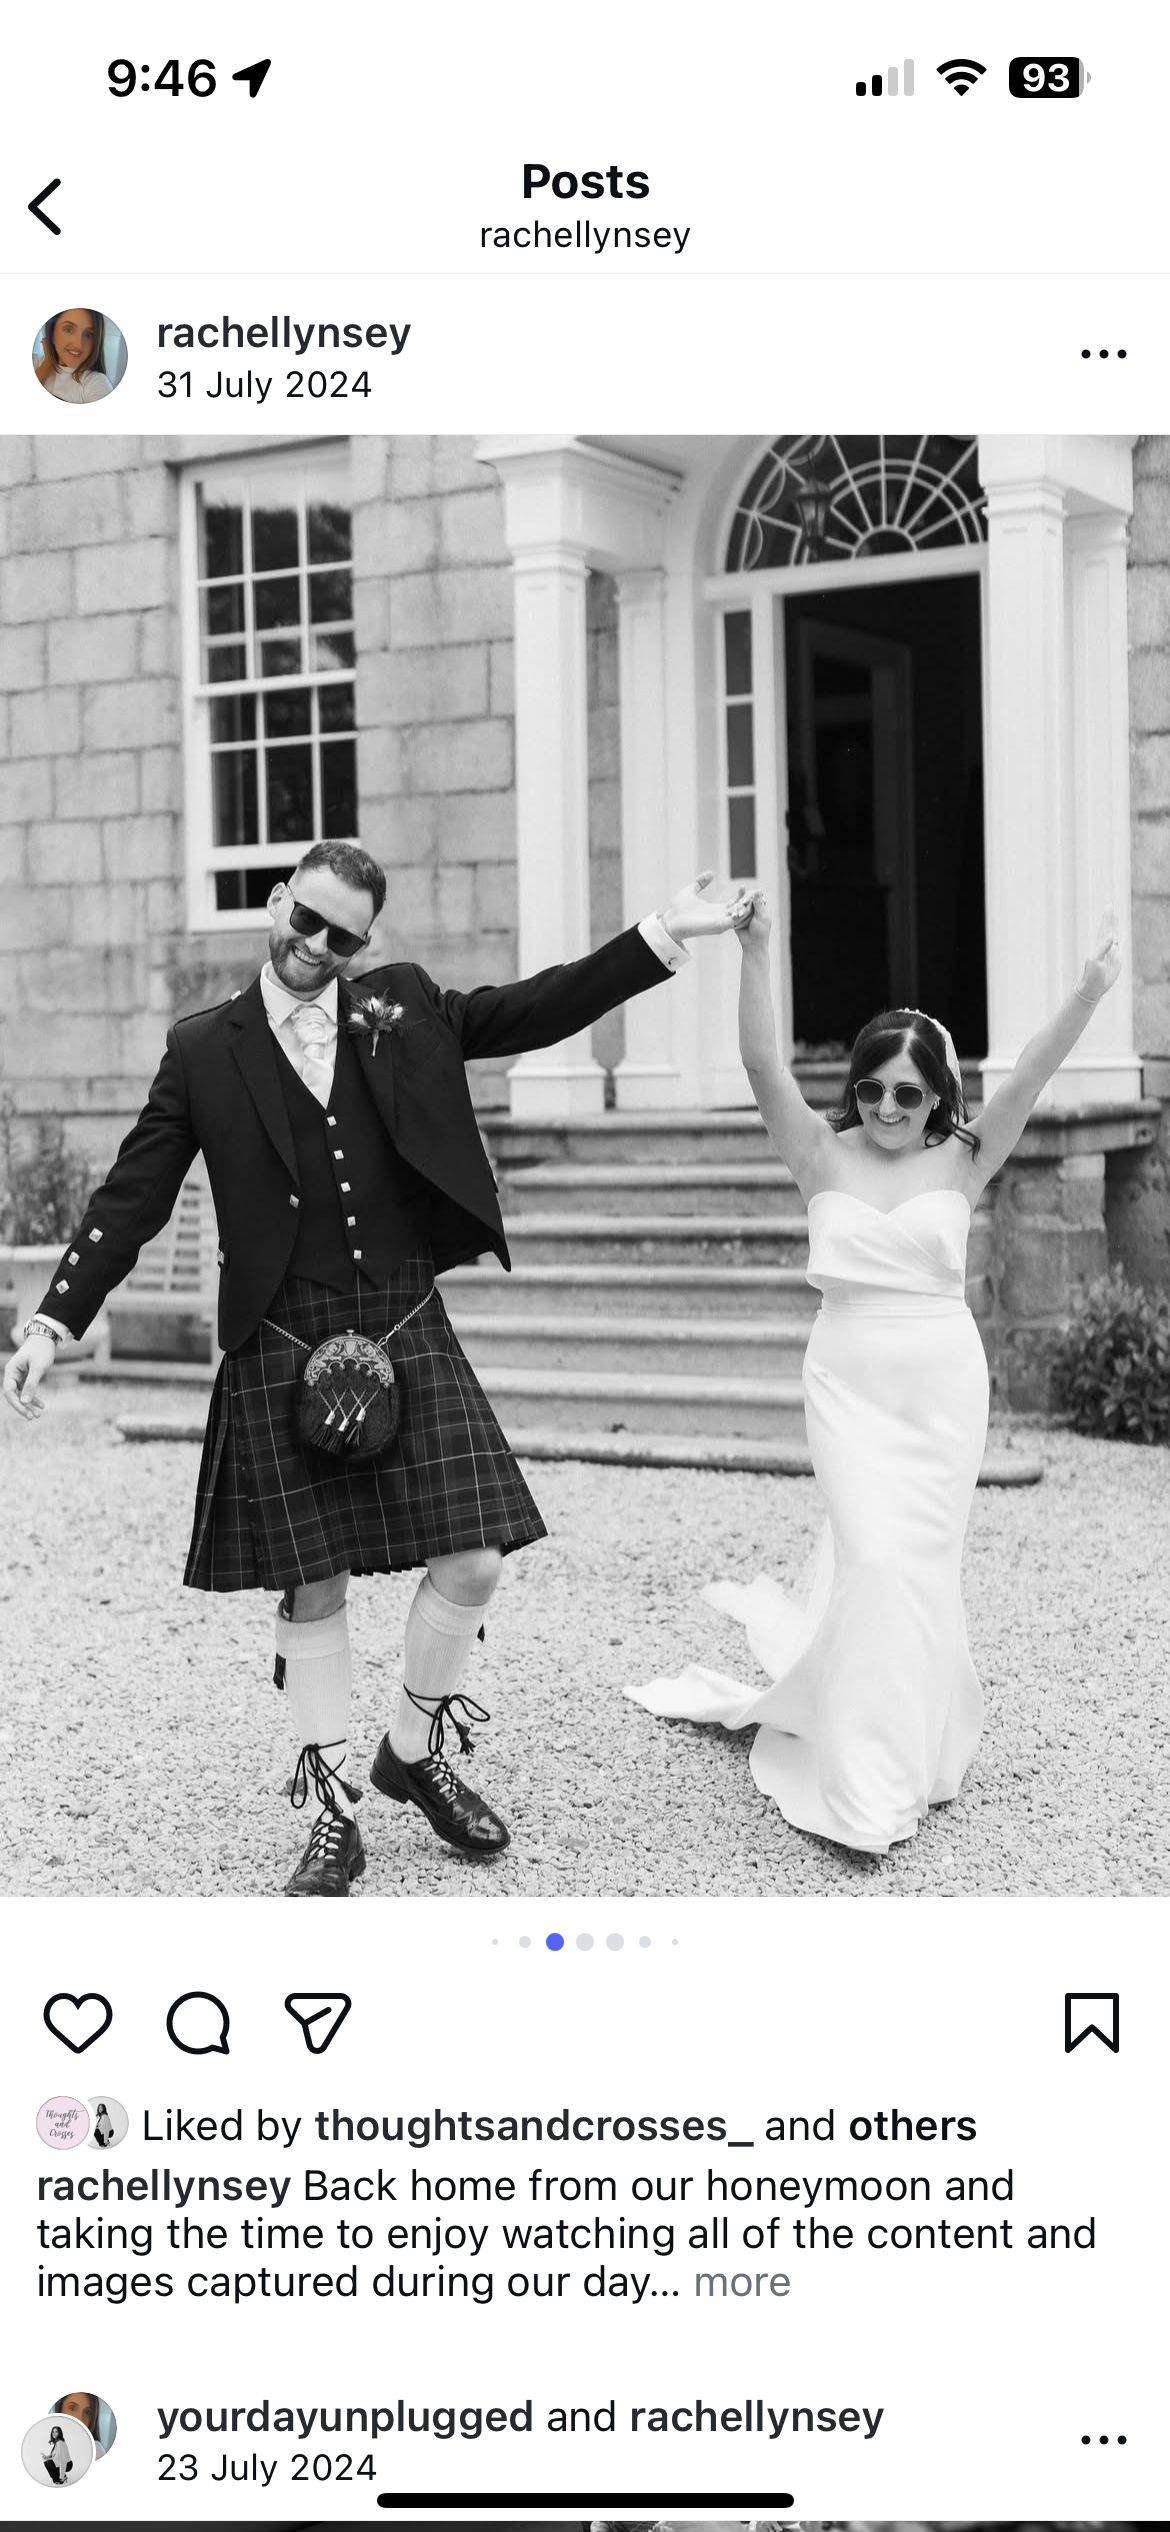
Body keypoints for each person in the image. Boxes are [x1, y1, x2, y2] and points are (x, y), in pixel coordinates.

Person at [4, 844, 748, 1895]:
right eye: (305, 920)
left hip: (400, 1316)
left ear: (369, 944)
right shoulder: (203, 1049)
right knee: (315, 1580)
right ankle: (335, 1809)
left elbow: (535, 1010)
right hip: (282, 1331)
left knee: (476, 1561)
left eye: (342, 936)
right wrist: (53, 1319)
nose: (316, 947)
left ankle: (412, 1747)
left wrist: (663, 934)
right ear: (277, 900)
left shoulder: (399, 1008)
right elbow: (135, 1193)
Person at [625, 891, 1123, 1856]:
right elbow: (762, 1063)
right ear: (852, 1091)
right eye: (872, 1090)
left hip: (940, 1386)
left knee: (918, 1568)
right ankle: (870, 1784)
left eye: (908, 1093)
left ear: (937, 1097)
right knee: (876, 1554)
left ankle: (916, 1748)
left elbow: (1030, 1074)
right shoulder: (817, 1152)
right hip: (847, 1383)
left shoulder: (966, 1161)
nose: (888, 1108)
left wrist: (1089, 994)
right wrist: (758, 948)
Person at [33, 309, 113, 403]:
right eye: (68, 330)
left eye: (88, 335)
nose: (78, 345)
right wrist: (48, 364)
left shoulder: (96, 382)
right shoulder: (37, 365)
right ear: (51, 333)